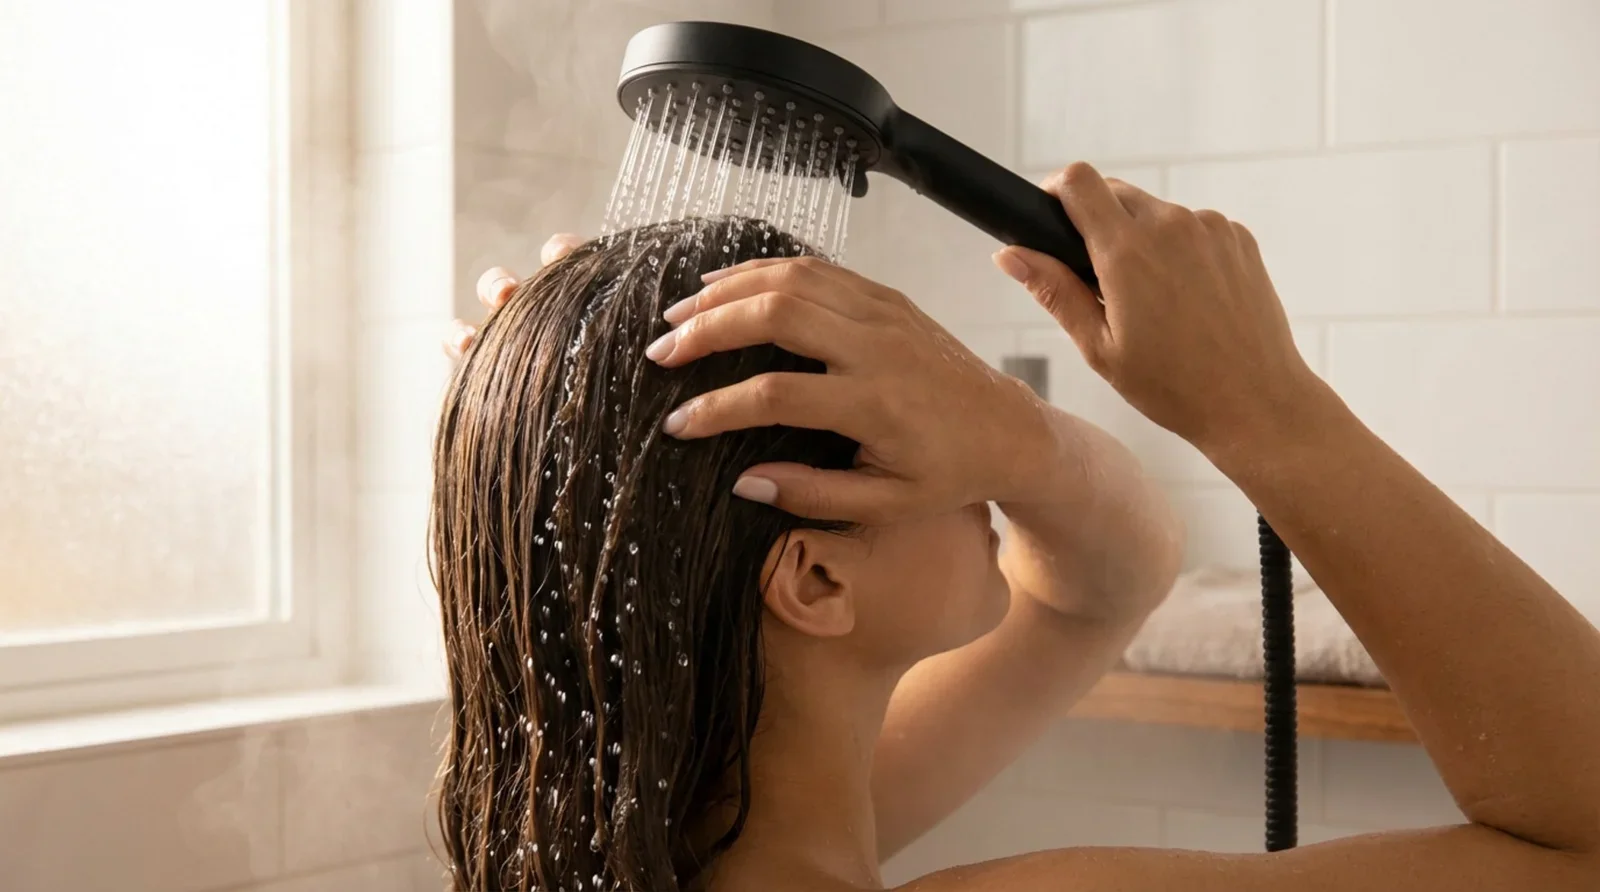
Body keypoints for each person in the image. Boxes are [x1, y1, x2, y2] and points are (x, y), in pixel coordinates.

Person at [437, 164, 1600, 891]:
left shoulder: (647, 844)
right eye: (919, 434)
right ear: (816, 579)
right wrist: (1265, 405)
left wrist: (1016, 435)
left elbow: (1098, 586)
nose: (977, 464)